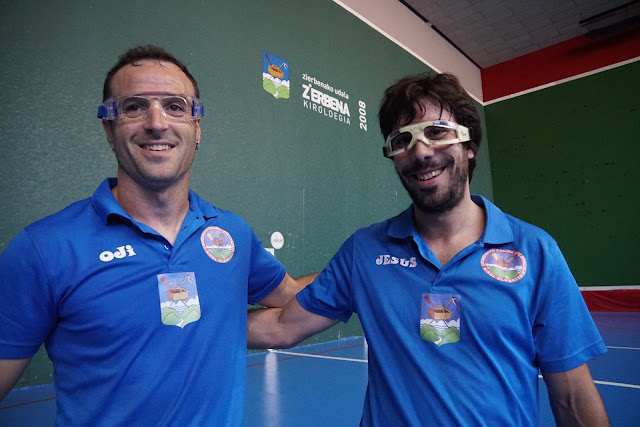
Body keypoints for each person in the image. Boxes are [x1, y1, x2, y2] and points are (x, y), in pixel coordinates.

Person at [247, 73, 610, 426]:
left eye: (437, 132)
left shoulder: (536, 252)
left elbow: (572, 398)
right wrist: (211, 309)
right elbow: (281, 327)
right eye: (402, 140)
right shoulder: (365, 251)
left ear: (469, 146)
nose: (420, 151)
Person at [0, 45, 308, 425]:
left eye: (175, 106)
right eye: (134, 107)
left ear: (197, 128)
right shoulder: (43, 249)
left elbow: (290, 303)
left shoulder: (232, 233)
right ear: (109, 129)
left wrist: (359, 265)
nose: (157, 122)